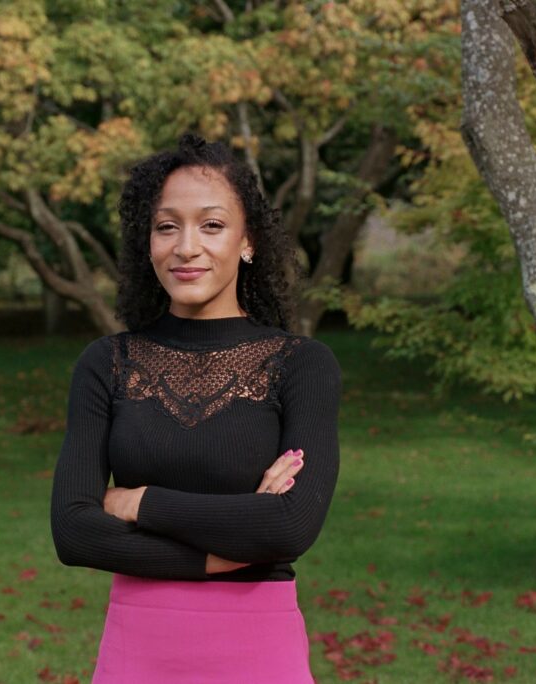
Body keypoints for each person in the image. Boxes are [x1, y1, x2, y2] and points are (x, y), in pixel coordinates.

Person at [50, 133, 342, 682]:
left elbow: (288, 526)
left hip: (258, 647)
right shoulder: (107, 363)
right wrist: (223, 554)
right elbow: (73, 531)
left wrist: (136, 503)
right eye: (167, 226)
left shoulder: (300, 365)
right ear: (148, 242)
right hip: (138, 648)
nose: (187, 247)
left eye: (211, 225)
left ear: (247, 241)